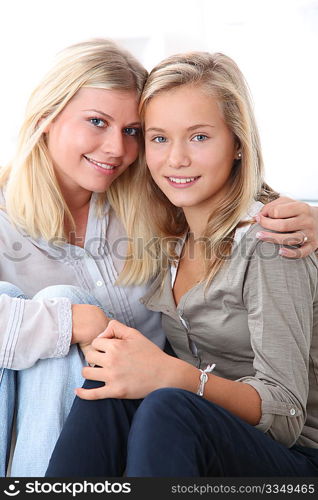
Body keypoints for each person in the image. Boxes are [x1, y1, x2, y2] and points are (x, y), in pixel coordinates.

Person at [46, 50, 318, 477]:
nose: (176, 159)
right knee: (110, 379)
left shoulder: (271, 242)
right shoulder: (168, 239)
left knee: (168, 404)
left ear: (238, 144)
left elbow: (284, 417)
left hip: (294, 459)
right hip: (198, 438)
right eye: (158, 138)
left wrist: (171, 375)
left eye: (199, 137)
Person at [0, 38, 168, 477]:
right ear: (46, 120)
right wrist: (72, 322)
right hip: (32, 437)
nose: (116, 148)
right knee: (54, 300)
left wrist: (308, 219)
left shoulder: (153, 201)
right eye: (97, 122)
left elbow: (232, 195)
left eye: (131, 130)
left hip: (144, 421)